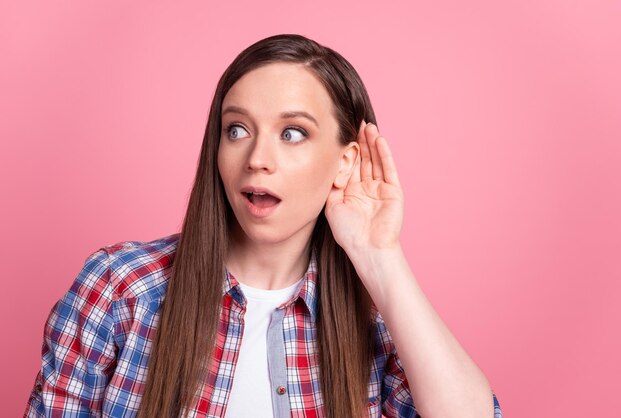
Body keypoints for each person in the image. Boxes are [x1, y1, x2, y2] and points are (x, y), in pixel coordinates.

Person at [24, 34, 503, 418]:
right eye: (237, 130)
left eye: (292, 133)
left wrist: (380, 254)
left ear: (344, 162)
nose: (257, 159)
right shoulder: (119, 288)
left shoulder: (379, 323)